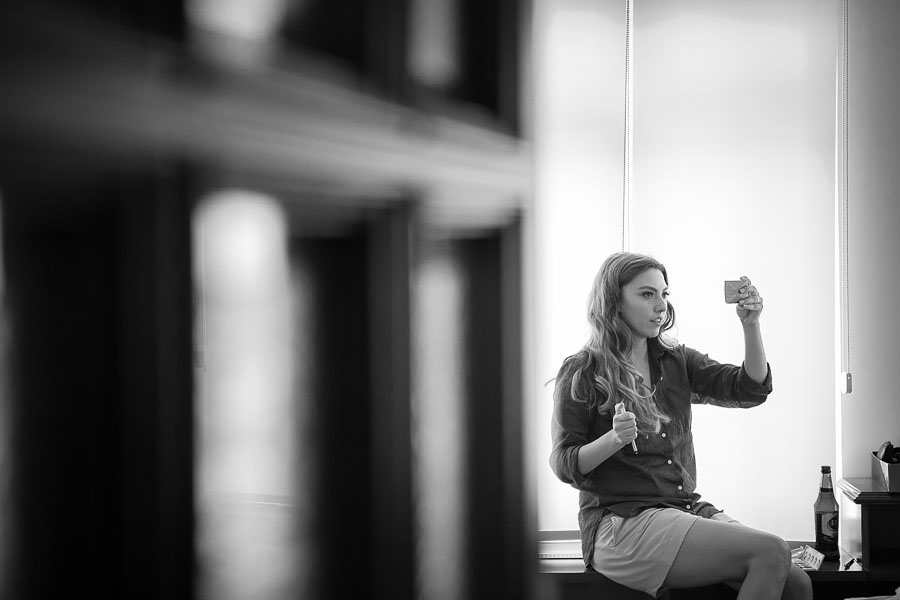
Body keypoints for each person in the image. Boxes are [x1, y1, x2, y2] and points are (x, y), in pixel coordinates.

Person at [549, 252, 811, 600]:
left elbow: (749, 389)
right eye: (647, 294)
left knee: (797, 582)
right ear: (613, 301)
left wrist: (751, 324)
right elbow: (564, 463)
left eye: (664, 294)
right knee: (771, 551)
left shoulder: (676, 361)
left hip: (681, 507)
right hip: (622, 521)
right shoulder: (583, 371)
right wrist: (613, 439)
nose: (661, 306)